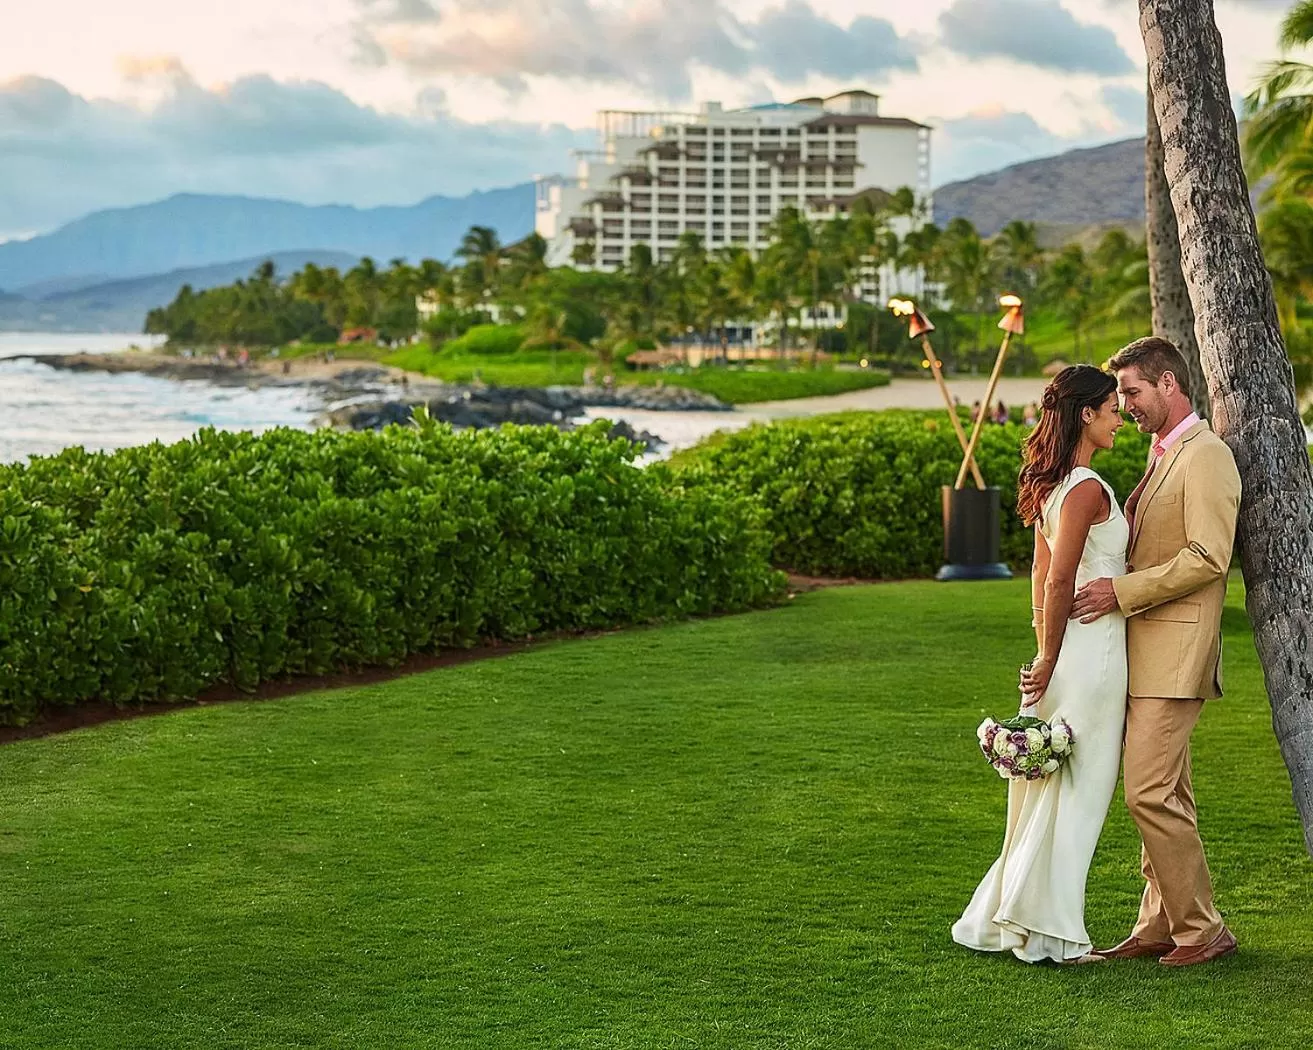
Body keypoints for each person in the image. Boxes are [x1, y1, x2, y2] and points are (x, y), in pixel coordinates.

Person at [1069, 336, 1241, 968]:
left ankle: (1201, 929)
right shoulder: (1162, 452)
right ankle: (1160, 920)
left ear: (1169, 384)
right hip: (1145, 651)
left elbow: (1208, 556)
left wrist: (1122, 591)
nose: (1127, 406)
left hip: (1177, 651)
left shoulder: (1206, 455)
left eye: (1134, 393)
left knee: (1146, 791)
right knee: (1166, 791)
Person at [952, 364, 1128, 964]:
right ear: (1086, 413)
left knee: (1056, 785)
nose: (1118, 415)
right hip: (1093, 653)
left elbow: (1039, 578)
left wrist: (1042, 650)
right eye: (1110, 407)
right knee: (1082, 791)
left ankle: (1023, 919)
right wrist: (1050, 656)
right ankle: (1054, 934)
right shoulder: (1085, 488)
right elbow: (1055, 578)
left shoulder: (1052, 486)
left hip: (1068, 653)